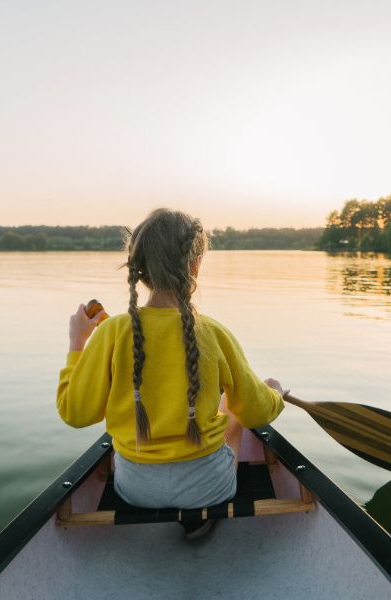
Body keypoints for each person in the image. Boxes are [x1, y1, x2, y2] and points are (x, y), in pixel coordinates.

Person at [56, 208, 286, 538]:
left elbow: (75, 413)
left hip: (134, 489)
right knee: (232, 410)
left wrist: (77, 342)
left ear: (139, 269)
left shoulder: (112, 333)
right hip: (208, 488)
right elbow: (256, 411)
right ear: (194, 265)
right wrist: (275, 395)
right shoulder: (214, 333)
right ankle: (202, 518)